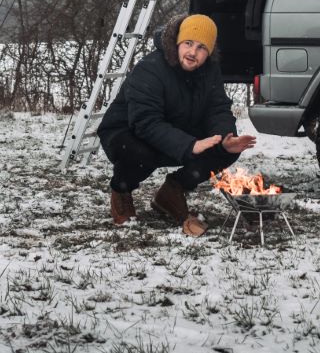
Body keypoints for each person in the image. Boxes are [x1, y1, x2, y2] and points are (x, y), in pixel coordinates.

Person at [97, 13, 256, 236]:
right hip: (128, 132)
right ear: (177, 42)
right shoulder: (150, 68)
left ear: (209, 52)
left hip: (176, 131)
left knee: (225, 147)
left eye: (201, 47)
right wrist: (190, 145)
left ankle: (172, 191)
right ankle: (121, 191)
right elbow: (145, 122)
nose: (193, 52)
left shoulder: (210, 71)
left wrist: (224, 138)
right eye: (188, 43)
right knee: (139, 153)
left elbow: (217, 108)